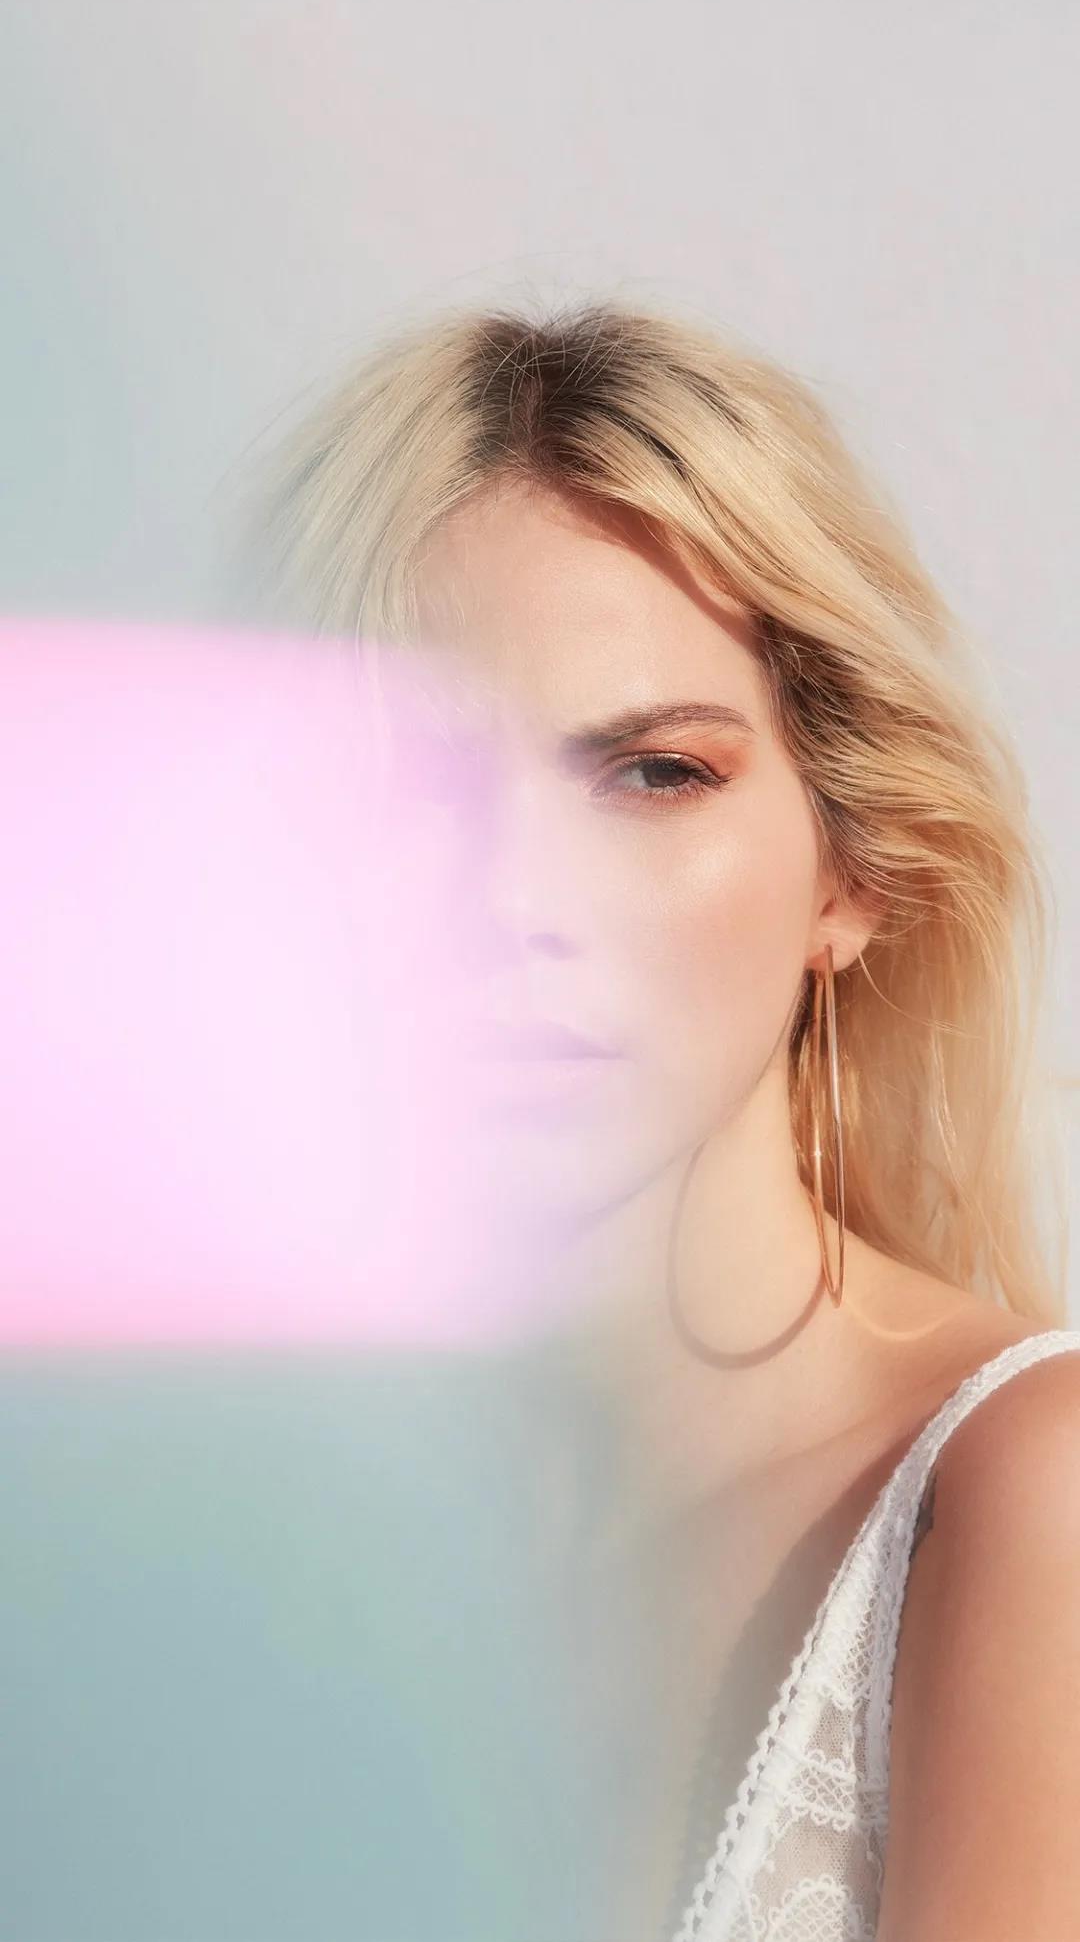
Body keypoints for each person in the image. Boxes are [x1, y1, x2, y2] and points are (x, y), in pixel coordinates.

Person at [258, 297, 1080, 1941]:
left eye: (653, 775)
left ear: (852, 870)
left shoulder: (1027, 1503)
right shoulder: (208, 1532)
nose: (513, 901)